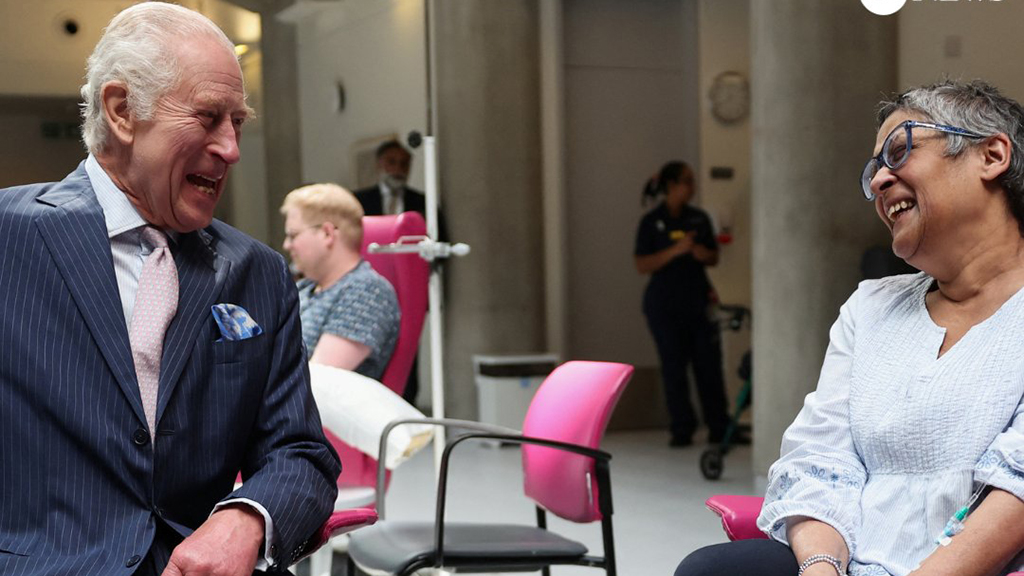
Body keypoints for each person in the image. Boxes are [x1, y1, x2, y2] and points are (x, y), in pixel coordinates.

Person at [0, 4, 340, 575]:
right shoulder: (10, 238)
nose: (231, 148)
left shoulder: (258, 272)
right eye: (208, 117)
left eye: (238, 122)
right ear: (122, 110)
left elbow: (300, 453)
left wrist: (248, 518)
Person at [675, 80, 1024, 576]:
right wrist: (821, 567)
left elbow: (1016, 489)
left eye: (899, 151)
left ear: (991, 155)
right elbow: (820, 459)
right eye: (874, 169)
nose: (879, 181)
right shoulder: (871, 307)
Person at [634, 161, 732, 447]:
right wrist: (676, 250)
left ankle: (719, 426)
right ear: (671, 185)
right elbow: (642, 264)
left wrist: (700, 252)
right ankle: (681, 428)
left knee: (708, 366)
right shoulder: (651, 222)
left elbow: (714, 256)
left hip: (698, 302)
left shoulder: (698, 219)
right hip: (664, 306)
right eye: (686, 181)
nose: (692, 187)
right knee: (673, 367)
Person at [353, 139, 446, 403]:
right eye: (392, 162)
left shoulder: (424, 203)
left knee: (408, 351)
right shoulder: (358, 201)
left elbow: (439, 249)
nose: (398, 169)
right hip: (369, 288)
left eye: (404, 164)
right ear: (379, 164)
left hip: (409, 289)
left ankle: (407, 404)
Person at [280, 183, 400, 380]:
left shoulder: (366, 291)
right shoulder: (305, 288)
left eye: (293, 235)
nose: (287, 245)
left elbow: (318, 381)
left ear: (327, 233)